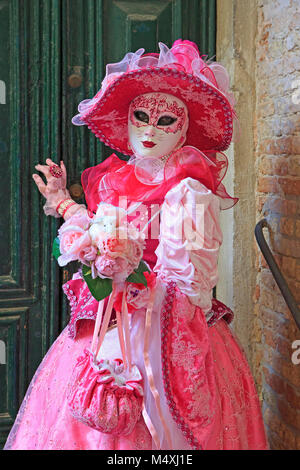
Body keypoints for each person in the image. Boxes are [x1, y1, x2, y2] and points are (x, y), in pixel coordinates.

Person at [4, 40, 268, 450]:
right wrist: (62, 203)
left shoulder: (189, 190)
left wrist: (156, 304)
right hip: (110, 314)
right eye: (141, 117)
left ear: (183, 129)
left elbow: (193, 281)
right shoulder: (112, 178)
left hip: (166, 319)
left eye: (165, 120)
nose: (149, 129)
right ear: (126, 122)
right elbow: (98, 227)